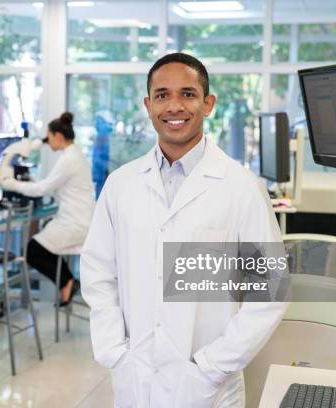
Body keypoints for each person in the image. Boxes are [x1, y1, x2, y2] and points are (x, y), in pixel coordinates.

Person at [80, 53, 288, 407]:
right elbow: (99, 272)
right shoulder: (121, 185)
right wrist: (115, 351)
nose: (174, 106)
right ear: (148, 105)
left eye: (188, 94)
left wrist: (211, 367)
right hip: (135, 379)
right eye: (162, 95)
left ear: (208, 104)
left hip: (207, 386)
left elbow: (269, 290)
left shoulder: (241, 186)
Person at [2, 112, 94, 305]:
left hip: (75, 223)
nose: (46, 141)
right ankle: (67, 280)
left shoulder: (69, 159)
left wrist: (11, 184)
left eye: (48, 136)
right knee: (39, 247)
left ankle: (66, 281)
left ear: (58, 136)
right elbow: (55, 187)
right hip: (78, 219)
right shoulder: (74, 155)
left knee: (33, 250)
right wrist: (32, 182)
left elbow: (44, 189)